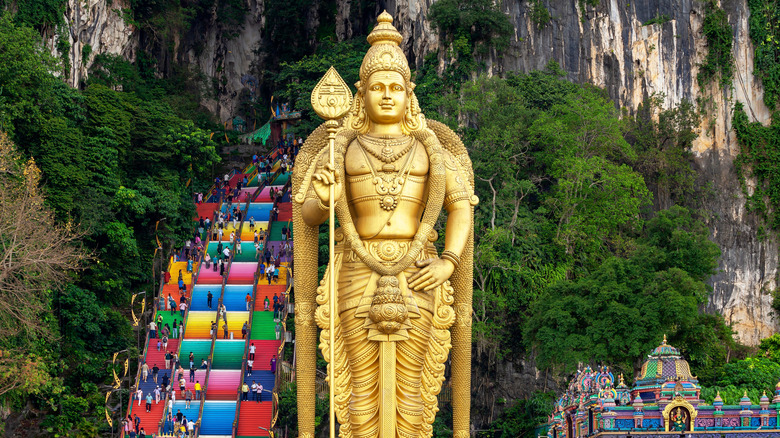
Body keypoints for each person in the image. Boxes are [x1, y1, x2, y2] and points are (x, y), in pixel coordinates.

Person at [293, 14, 477, 436]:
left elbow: (461, 205)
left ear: (409, 93)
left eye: (396, 87)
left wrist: (448, 261)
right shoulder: (342, 146)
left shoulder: (430, 149)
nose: (388, 96)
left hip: (419, 273)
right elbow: (307, 215)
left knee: (413, 395)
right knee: (358, 393)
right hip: (357, 272)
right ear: (362, 94)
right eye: (378, 87)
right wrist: (323, 199)